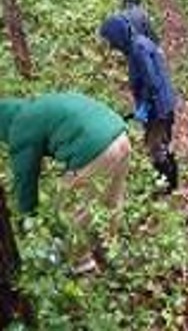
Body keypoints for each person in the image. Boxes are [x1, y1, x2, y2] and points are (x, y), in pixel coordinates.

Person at [0, 92, 130, 273]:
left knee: (68, 208)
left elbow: (25, 180)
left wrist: (27, 219)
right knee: (111, 201)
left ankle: (81, 264)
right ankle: (109, 250)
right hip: (120, 136)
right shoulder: (38, 108)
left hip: (95, 148)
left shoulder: (19, 128)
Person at [100, 14, 178, 192]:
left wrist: (144, 106)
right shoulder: (139, 42)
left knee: (155, 146)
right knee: (163, 143)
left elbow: (151, 82)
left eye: (111, 40)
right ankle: (171, 183)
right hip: (162, 103)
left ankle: (167, 187)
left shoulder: (138, 49)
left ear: (118, 36)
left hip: (158, 107)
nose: (111, 46)